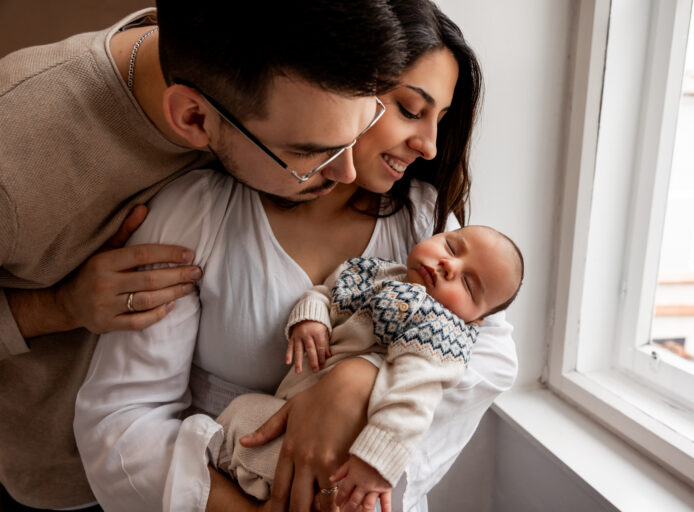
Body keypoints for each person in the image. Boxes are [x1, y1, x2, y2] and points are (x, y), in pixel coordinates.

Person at [74, 1, 518, 511]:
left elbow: (491, 358)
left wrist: (357, 381)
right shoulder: (198, 214)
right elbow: (122, 423)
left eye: (440, 117)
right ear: (338, 85)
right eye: (410, 110)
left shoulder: (426, 226)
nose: (430, 146)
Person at [0, 2, 406, 509]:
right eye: (310, 154)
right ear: (192, 117)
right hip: (58, 473)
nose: (348, 173)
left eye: (363, 126)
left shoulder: (245, 63)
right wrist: (58, 306)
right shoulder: (13, 150)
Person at [215, 225, 524, 512]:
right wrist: (312, 317)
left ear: (476, 319)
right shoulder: (375, 271)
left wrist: (377, 463)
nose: (449, 265)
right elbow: (327, 292)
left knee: (228, 438)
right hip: (290, 411)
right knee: (237, 415)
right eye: (452, 247)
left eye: (468, 284)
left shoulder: (440, 329)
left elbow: (414, 399)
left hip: (339, 448)